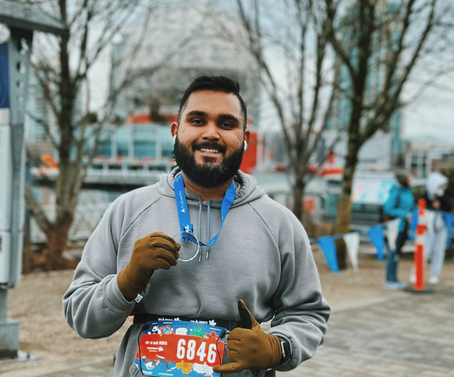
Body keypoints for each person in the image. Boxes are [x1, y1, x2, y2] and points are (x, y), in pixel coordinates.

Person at [63, 76, 330, 376]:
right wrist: (124, 284)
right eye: (198, 120)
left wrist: (278, 347)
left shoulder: (280, 224)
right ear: (177, 131)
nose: (211, 133)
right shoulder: (128, 211)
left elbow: (308, 313)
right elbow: (79, 314)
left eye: (227, 124)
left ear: (245, 137)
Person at [382, 171, 416, 290]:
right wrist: (405, 214)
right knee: (392, 253)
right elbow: (387, 209)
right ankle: (389, 279)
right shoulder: (396, 191)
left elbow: (410, 206)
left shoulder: (407, 191)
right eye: (410, 178)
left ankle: (394, 278)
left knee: (397, 254)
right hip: (395, 228)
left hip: (404, 228)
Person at [418, 172, 452, 285]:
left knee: (439, 251)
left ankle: (435, 273)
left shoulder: (443, 196)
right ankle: (417, 271)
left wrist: (441, 199)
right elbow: (420, 207)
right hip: (427, 227)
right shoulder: (425, 196)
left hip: (441, 227)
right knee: (425, 251)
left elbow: (449, 207)